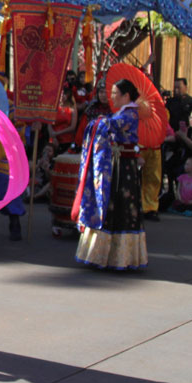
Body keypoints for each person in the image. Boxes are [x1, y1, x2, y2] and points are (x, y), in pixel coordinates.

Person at [74, 78, 148, 270]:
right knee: (111, 207)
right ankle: (103, 255)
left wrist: (99, 121)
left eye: (115, 93)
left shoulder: (130, 114)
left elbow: (110, 125)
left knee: (120, 209)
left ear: (126, 96)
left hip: (123, 168)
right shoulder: (122, 113)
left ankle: (118, 257)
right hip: (116, 166)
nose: (111, 97)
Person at [49, 87, 78, 154]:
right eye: (61, 94)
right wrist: (53, 135)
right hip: (53, 139)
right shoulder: (53, 106)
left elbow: (73, 127)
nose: (62, 96)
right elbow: (49, 123)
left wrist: (57, 133)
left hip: (67, 139)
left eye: (64, 94)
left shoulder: (72, 107)